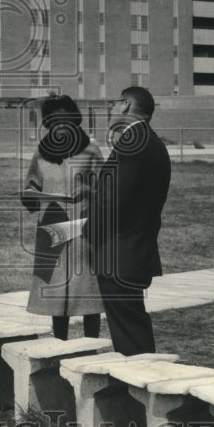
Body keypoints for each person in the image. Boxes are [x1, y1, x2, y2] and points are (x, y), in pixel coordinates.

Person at [86, 86, 171, 355]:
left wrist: (87, 231)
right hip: (134, 250)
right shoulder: (152, 141)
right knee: (133, 326)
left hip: (119, 252)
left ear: (124, 105)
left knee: (129, 336)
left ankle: (136, 391)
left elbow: (112, 200)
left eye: (113, 104)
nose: (110, 110)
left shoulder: (132, 141)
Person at [21, 95, 105, 340]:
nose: (59, 126)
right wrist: (31, 195)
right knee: (56, 292)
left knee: (87, 289)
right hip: (52, 227)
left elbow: (109, 188)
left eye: (64, 121)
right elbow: (32, 186)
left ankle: (91, 343)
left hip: (84, 230)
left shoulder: (91, 149)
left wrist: (89, 191)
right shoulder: (40, 153)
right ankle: (59, 344)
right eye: (53, 122)